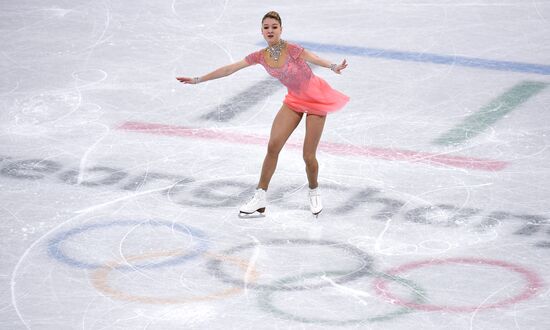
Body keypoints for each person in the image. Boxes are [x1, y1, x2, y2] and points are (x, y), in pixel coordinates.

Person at [177, 11, 349, 217]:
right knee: (273, 145)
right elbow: (230, 69)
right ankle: (260, 196)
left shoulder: (292, 49)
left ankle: (313, 190)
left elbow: (314, 57)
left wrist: (333, 66)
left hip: (317, 98)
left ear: (281, 30)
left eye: (274, 27)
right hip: (294, 100)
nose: (270, 30)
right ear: (262, 31)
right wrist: (198, 79)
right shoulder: (260, 56)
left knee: (308, 155)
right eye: (266, 27)